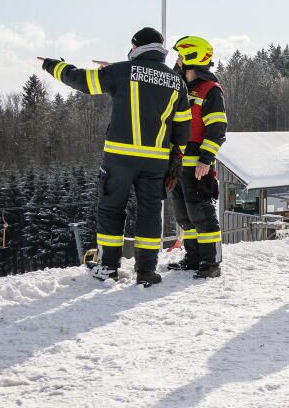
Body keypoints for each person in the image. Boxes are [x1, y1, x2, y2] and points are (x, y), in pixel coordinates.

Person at [39, 27, 189, 286]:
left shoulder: (121, 71)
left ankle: (108, 268)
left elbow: (81, 80)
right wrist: (177, 157)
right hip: (155, 161)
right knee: (150, 213)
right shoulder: (176, 82)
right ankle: (146, 271)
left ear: (135, 46)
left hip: (119, 158)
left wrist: (55, 66)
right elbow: (183, 125)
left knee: (111, 209)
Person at [165, 36, 227, 279]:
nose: (177, 60)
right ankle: (192, 258)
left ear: (191, 59)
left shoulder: (210, 91)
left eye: (181, 56)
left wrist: (206, 159)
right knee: (185, 215)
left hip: (198, 165)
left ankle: (211, 263)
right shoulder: (180, 87)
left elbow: (217, 129)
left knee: (202, 214)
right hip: (178, 164)